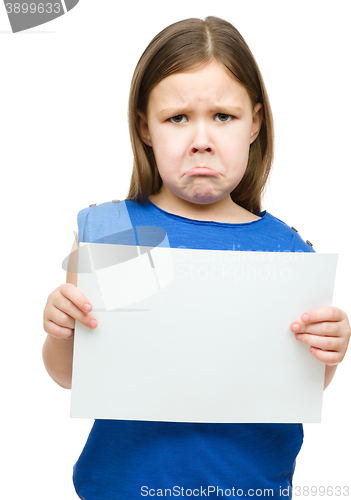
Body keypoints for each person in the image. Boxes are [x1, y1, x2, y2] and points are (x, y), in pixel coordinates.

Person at [42, 16, 351, 499]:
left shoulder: (287, 250)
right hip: (123, 488)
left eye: (223, 117)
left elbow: (297, 384)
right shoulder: (116, 233)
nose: (201, 139)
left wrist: (331, 349)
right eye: (177, 117)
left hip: (250, 489)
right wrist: (60, 331)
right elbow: (70, 376)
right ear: (145, 128)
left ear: (255, 123)